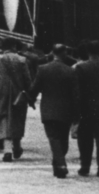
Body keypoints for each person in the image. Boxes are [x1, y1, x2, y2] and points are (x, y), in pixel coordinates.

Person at [30, 44, 79, 178]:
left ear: (52, 52)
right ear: (65, 53)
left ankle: (59, 164)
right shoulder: (71, 71)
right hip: (66, 110)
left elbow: (35, 88)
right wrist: (76, 113)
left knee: (53, 138)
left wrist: (30, 99)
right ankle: (59, 163)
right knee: (63, 140)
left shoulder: (42, 69)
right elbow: (76, 94)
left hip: (48, 109)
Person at [74, 40, 99, 177]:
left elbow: (77, 90)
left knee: (85, 139)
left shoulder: (81, 67)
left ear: (87, 51)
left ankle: (85, 167)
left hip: (85, 108)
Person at [0, 40, 33, 161]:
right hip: (17, 93)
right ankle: (16, 146)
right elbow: (27, 80)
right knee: (17, 119)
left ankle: (7, 149)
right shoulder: (22, 60)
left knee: (2, 118)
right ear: (13, 46)